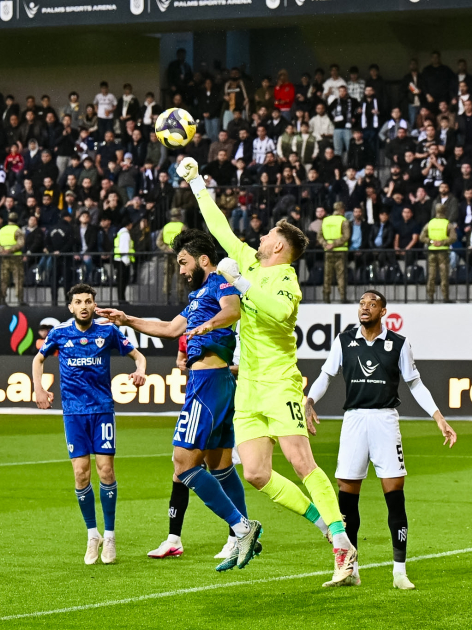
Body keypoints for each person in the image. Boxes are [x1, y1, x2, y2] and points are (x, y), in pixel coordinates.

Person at [179, 155, 357, 586]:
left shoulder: (286, 281)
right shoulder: (251, 262)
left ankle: (342, 543)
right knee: (256, 473)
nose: (258, 237)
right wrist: (198, 184)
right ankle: (327, 528)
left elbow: (278, 313)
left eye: (267, 235)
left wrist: (240, 283)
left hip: (279, 383)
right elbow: (220, 227)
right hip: (248, 387)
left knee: (301, 461)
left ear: (279, 247)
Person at [97, 230, 263, 569]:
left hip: (208, 383)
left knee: (183, 465)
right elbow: (171, 329)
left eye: (184, 262)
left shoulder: (220, 283)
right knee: (220, 465)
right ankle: (241, 537)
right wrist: (127, 320)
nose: (182, 270)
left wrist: (206, 327)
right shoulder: (197, 296)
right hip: (214, 383)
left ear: (203, 260)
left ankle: (242, 528)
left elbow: (232, 311)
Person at [305, 290, 456, 589]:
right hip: (354, 421)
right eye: (362, 304)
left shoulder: (398, 344)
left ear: (383, 311)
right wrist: (309, 400)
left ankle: (399, 572)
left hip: (385, 421)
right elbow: (325, 375)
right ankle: (350, 569)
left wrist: (438, 417)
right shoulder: (344, 341)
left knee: (394, 496)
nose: (365, 308)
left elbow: (415, 383)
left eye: (372, 304)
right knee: (347, 497)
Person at [32, 284, 147, 564]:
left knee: (106, 470)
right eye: (78, 302)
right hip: (73, 413)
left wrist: (140, 370)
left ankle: (110, 536)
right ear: (70, 307)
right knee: (81, 474)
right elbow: (38, 359)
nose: (84, 306)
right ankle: (92, 535)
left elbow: (138, 356)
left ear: (95, 305)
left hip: (102, 410)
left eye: (88, 301)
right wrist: (39, 388)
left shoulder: (107, 331)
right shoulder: (59, 333)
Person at [419, 203, 457, 304]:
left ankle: (430, 297)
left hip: (431, 251)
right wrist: (442, 242)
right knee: (444, 275)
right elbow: (453, 238)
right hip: (443, 252)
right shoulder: (447, 224)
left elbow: (422, 237)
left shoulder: (430, 223)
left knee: (431, 275)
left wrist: (431, 241)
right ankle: (445, 297)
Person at [319, 201, 350, 304]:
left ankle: (326, 297)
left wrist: (326, 244)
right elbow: (346, 236)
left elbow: (319, 236)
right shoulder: (344, 221)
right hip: (340, 251)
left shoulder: (325, 220)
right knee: (341, 275)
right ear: (342, 210)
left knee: (327, 275)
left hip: (328, 251)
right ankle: (343, 297)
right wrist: (335, 244)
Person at [156, 208, 188, 304]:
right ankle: (180, 299)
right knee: (180, 277)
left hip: (167, 255)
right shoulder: (182, 227)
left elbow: (158, 241)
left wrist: (166, 248)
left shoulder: (166, 227)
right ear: (179, 216)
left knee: (167, 277)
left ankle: (166, 299)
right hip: (179, 255)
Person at [0, 212, 26, 307]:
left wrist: (2, 250)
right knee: (18, 279)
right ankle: (20, 300)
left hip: (4, 258)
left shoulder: (1, 230)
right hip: (16, 258)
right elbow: (21, 243)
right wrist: (10, 250)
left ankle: (2, 300)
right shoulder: (18, 230)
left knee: (3, 280)